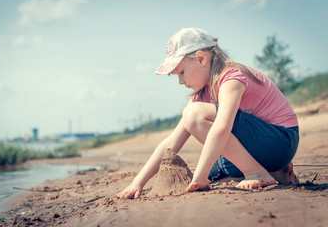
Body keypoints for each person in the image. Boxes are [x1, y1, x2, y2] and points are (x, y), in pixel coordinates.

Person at [116, 28, 299, 199]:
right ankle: (273, 171)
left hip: (280, 139)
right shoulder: (202, 93)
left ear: (201, 59)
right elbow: (171, 142)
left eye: (181, 72)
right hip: (260, 147)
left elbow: (221, 128)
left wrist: (199, 177)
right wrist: (137, 182)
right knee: (215, 171)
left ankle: (256, 172)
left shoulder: (231, 78)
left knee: (194, 119)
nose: (180, 81)